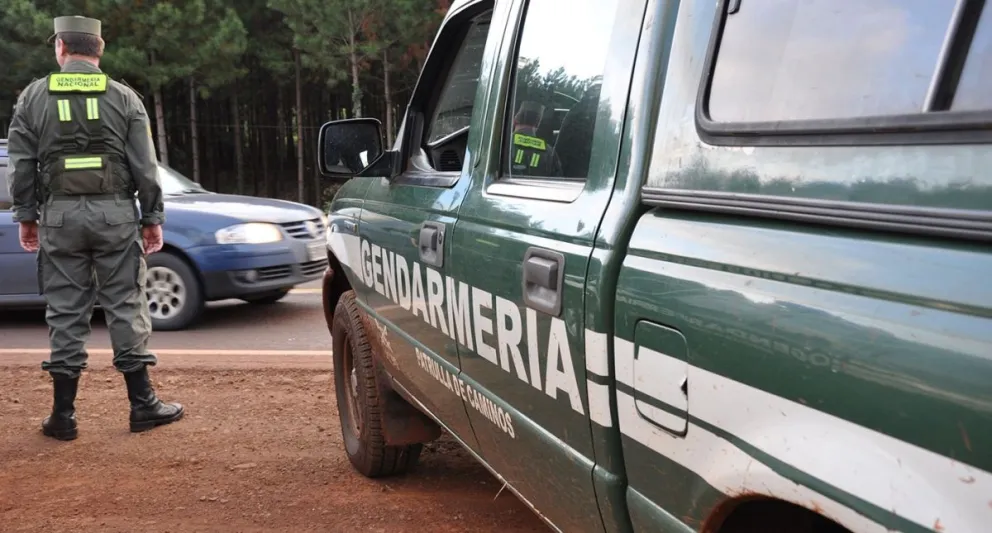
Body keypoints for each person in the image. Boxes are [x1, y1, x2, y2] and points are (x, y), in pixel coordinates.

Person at [6, 15, 183, 441]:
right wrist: (152, 218)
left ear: (61, 49)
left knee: (66, 310)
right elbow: (145, 166)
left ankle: (63, 416)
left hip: (60, 218)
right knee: (125, 303)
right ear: (98, 51)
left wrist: (27, 217)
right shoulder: (124, 97)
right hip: (116, 217)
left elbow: (22, 166)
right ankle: (143, 406)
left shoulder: (33, 97)